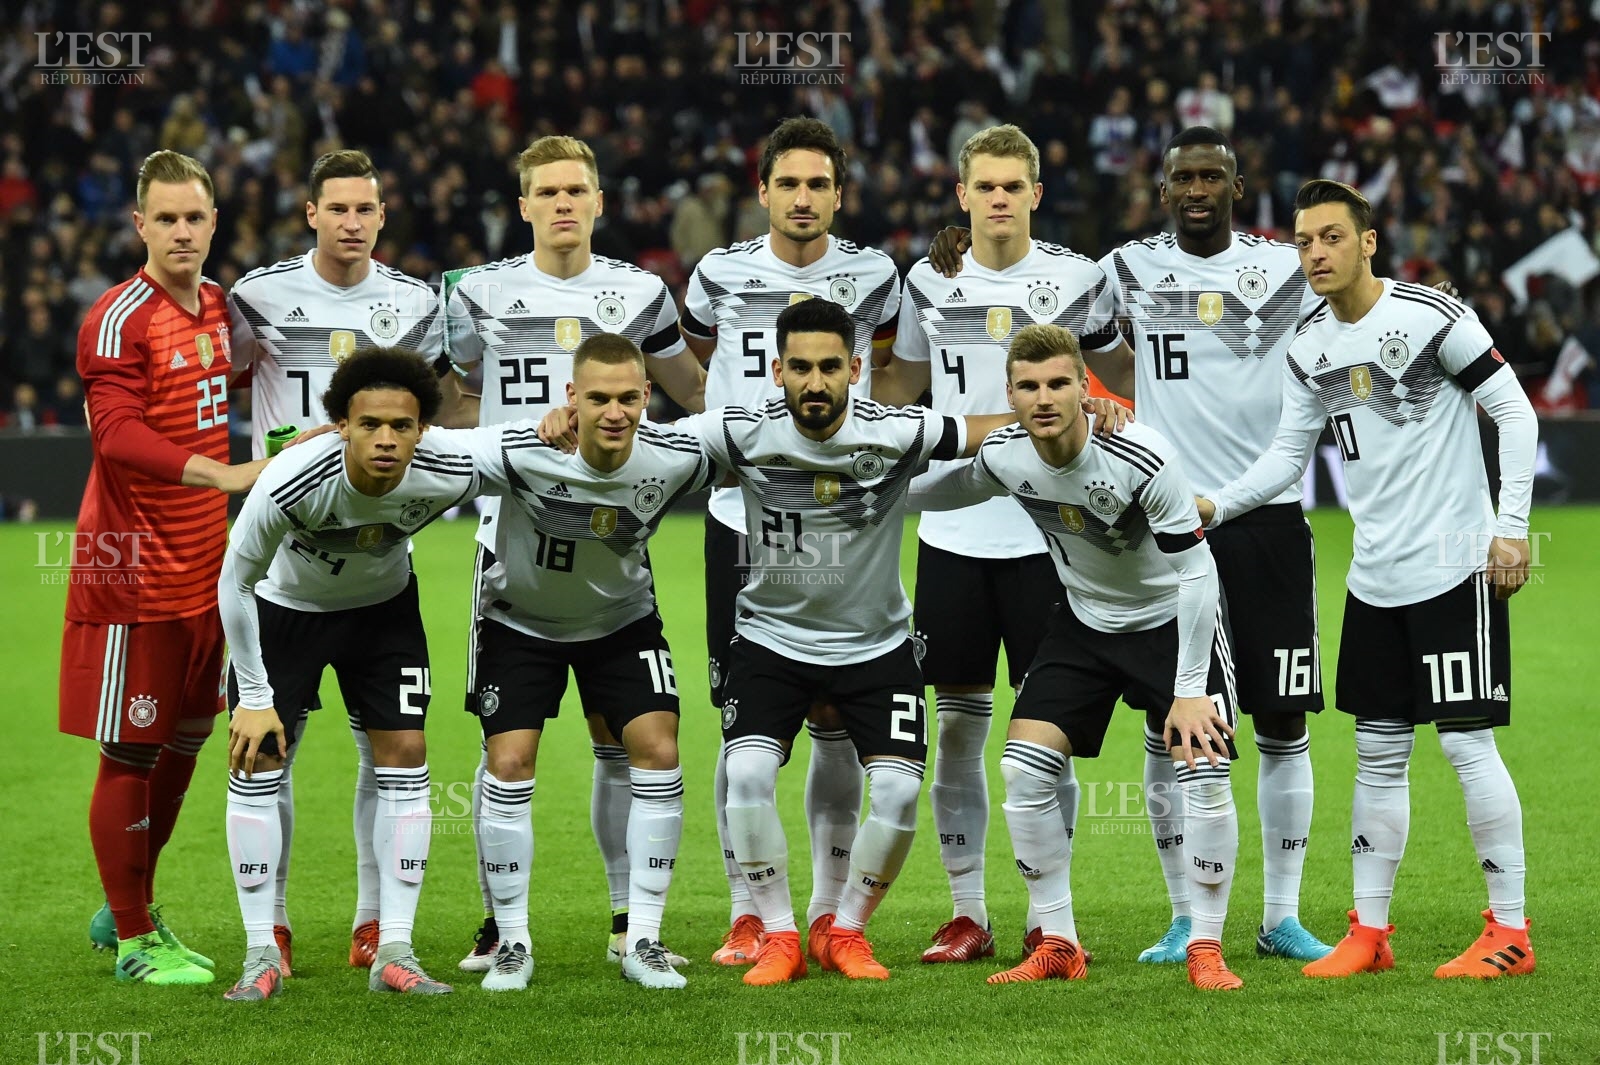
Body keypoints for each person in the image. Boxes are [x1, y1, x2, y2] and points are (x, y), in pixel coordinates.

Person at [1199, 179, 1537, 980]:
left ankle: (1511, 931)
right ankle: (1369, 930)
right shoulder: (1309, 345)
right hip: (1375, 580)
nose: (1316, 252)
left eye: (1331, 238)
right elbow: (1287, 457)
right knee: (1377, 754)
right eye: (1304, 241)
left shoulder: (1431, 317)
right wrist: (1216, 503)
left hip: (1454, 567)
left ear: (1368, 241)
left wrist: (1512, 528)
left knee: (1466, 744)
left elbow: (1515, 411)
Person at [674, 298, 1025, 986]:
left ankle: (846, 929)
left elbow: (980, 430)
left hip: (876, 646)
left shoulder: (894, 430)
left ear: (856, 369)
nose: (815, 381)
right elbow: (641, 438)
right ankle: (779, 934)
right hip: (770, 642)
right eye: (800, 366)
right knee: (744, 774)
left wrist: (1061, 412)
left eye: (830, 366)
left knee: (895, 790)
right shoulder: (741, 433)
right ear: (776, 370)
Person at [911, 323, 1246, 990]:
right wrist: (864, 485)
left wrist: (1186, 690)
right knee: (1023, 768)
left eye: (1059, 382)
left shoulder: (1140, 455)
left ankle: (1206, 945)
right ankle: (1058, 938)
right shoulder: (1007, 454)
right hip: (1084, 623)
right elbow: (947, 491)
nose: (1044, 397)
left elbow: (1197, 574)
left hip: (1172, 622)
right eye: (1029, 385)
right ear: (1009, 393)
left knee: (1203, 771)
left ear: (1082, 387)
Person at [444, 134, 705, 971]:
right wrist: (522, 444)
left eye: (577, 191)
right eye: (547, 192)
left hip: (612, 542)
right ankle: (501, 923)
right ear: (522, 206)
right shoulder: (476, 293)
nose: (563, 204)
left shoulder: (640, 292)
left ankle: (631, 920)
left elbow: (692, 393)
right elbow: (458, 410)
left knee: (621, 738)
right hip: (512, 543)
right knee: (507, 749)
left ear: (599, 201)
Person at [875, 124, 1133, 963]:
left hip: (1047, 537)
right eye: (983, 186)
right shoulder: (927, 277)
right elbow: (904, 387)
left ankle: (1048, 917)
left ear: (1034, 193)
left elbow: (1119, 375)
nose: (997, 199)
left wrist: (1117, 409)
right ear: (961, 195)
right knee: (956, 732)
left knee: (1045, 734)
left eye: (1011, 186)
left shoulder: (1075, 277)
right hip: (952, 529)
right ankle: (968, 912)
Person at [226, 148, 464, 975]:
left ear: (382, 216)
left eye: (367, 209)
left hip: (379, 568)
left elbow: (432, 413)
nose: (353, 222)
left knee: (395, 754)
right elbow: (203, 381)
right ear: (311, 213)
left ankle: (379, 930)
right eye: (339, 208)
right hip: (284, 556)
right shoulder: (253, 296)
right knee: (263, 750)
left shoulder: (413, 302)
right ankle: (272, 931)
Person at [679, 116, 903, 966]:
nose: (803, 198)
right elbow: (702, 365)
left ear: (838, 195)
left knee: (838, 716)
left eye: (819, 185)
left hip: (847, 523)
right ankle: (748, 908)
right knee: (743, 724)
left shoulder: (876, 274)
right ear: (763, 190)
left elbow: (894, 364)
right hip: (743, 524)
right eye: (788, 184)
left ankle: (824, 909)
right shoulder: (719, 273)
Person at [450, 333, 720, 991]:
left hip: (621, 623)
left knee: (657, 747)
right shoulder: (522, 450)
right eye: (598, 397)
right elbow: (421, 446)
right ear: (571, 396)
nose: (615, 411)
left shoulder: (675, 455)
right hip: (518, 622)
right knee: (509, 761)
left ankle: (642, 937)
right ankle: (510, 939)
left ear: (647, 396)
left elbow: (759, 435)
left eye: (629, 397)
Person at [62, 150, 271, 985]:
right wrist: (224, 475)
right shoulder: (117, 318)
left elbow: (265, 375)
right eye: (167, 219)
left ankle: (127, 905)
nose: (183, 232)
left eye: (197, 218)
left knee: (186, 741)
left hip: (207, 574)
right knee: (130, 751)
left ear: (215, 223)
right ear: (140, 224)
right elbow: (113, 434)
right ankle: (138, 940)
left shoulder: (223, 308)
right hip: (131, 574)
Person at [219, 347, 478, 1000]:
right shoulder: (291, 478)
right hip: (284, 610)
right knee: (258, 757)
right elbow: (234, 580)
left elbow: (521, 447)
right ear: (341, 425)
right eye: (369, 425)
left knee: (405, 752)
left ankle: (391, 943)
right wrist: (253, 695)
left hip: (383, 614)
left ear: (424, 429)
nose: (386, 438)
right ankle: (262, 946)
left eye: (402, 425)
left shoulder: (449, 462)